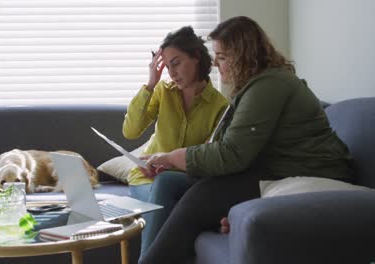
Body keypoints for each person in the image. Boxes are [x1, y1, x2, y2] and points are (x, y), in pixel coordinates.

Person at [138, 16, 354, 264]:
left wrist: (175, 157)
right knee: (169, 182)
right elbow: (232, 146)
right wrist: (173, 163)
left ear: (242, 55)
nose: (218, 66)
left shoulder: (270, 85)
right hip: (271, 165)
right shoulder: (255, 87)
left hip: (310, 169)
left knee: (201, 196)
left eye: (222, 57)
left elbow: (231, 154)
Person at [122, 26, 229, 254]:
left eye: (176, 62)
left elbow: (211, 158)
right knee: (163, 203)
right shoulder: (163, 91)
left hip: (184, 182)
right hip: (146, 179)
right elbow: (130, 131)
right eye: (167, 65)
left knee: (169, 199)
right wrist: (150, 84)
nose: (172, 72)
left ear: (196, 56)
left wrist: (172, 165)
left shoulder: (220, 106)